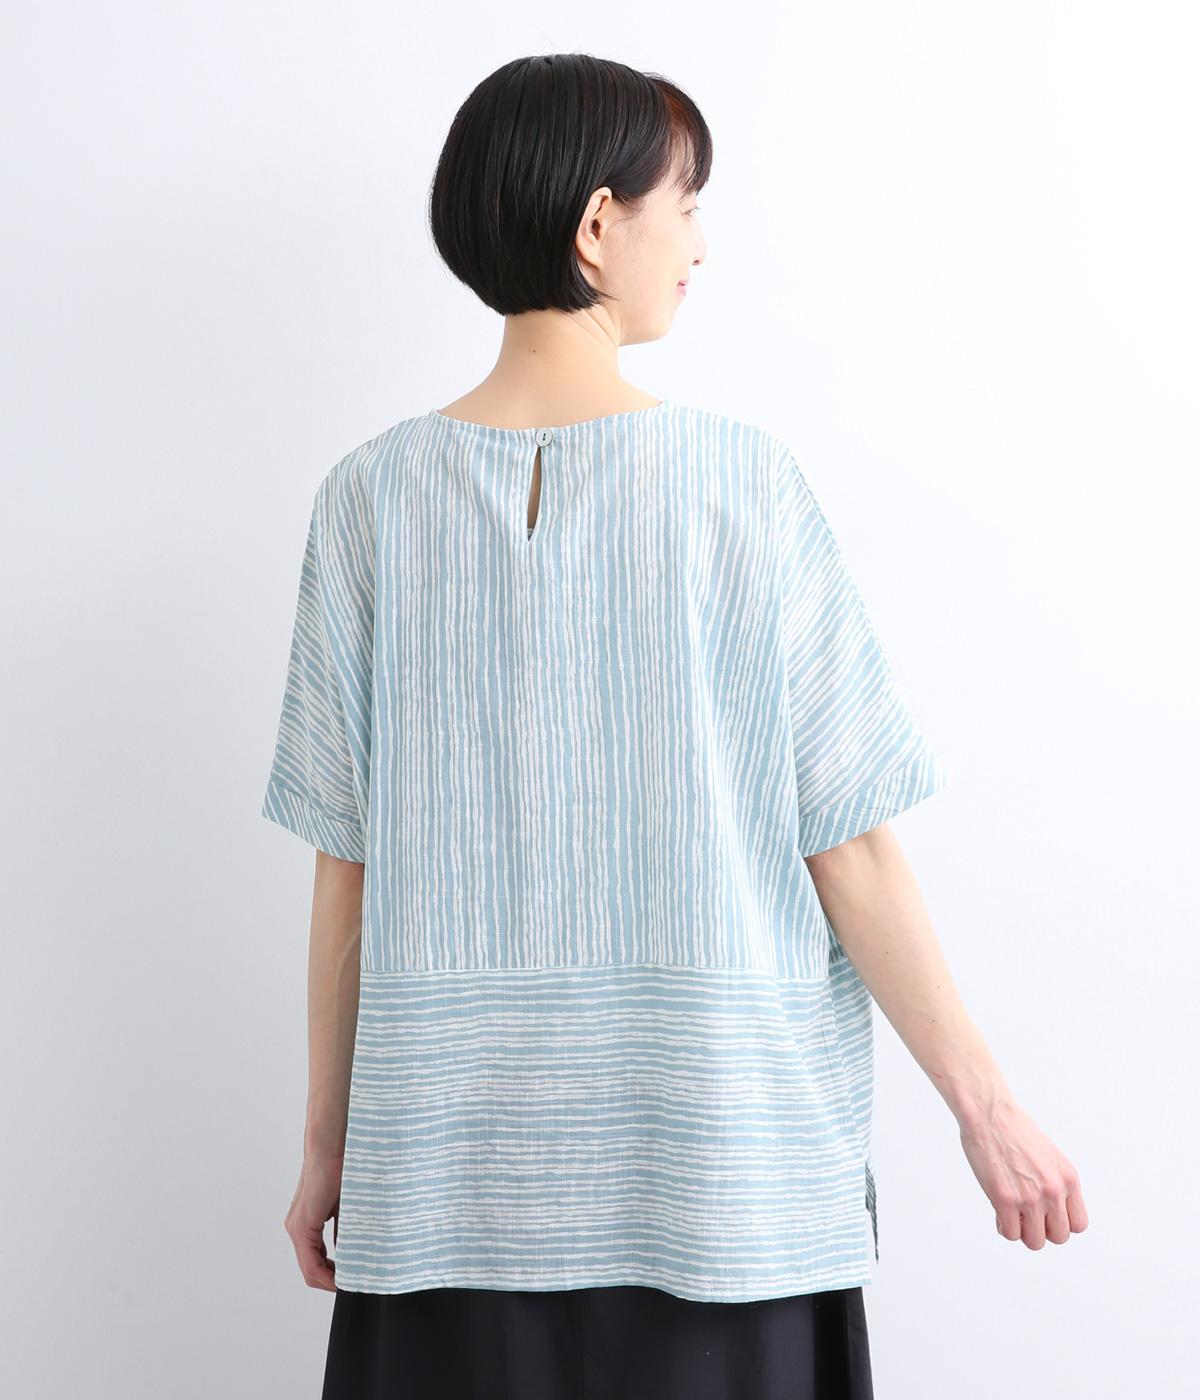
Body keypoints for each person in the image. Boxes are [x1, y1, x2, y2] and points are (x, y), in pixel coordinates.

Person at [259, 52, 1088, 1400]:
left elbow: (344, 871)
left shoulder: (366, 502)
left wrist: (327, 1148)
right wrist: (987, 1112)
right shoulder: (741, 487)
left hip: (448, 1183)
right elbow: (849, 844)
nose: (700, 245)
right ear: (600, 224)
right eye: (686, 206)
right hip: (720, 1181)